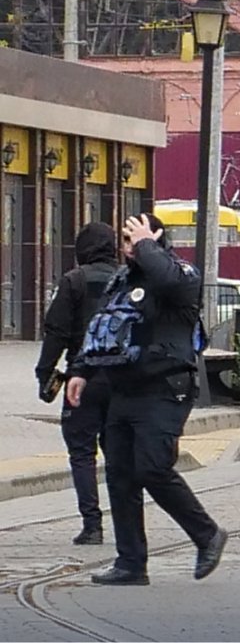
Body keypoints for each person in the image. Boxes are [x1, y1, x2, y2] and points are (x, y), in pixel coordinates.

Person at [65, 214, 227, 586]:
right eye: (124, 239)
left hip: (165, 387)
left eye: (133, 238)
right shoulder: (121, 281)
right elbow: (101, 328)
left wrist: (146, 244)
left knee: (152, 467)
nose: (127, 247)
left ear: (155, 239)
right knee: (120, 475)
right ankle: (131, 563)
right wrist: (80, 371)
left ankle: (207, 535)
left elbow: (166, 277)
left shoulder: (181, 275)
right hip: (124, 389)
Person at [35, 221, 120, 546]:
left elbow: (55, 332)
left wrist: (45, 374)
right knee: (118, 454)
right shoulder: (126, 280)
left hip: (81, 380)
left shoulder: (73, 281)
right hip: (121, 380)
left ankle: (92, 525)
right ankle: (127, 523)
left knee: (82, 453)